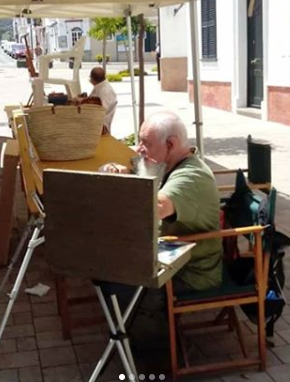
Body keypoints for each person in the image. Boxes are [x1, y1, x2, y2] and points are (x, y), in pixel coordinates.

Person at [99, 111, 222, 353]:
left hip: (192, 271)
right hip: (173, 258)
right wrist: (113, 170)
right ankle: (132, 338)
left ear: (171, 144)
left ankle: (153, 357)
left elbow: (155, 207)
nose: (138, 149)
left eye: (145, 143)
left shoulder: (192, 175)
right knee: (109, 275)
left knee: (119, 284)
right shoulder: (164, 164)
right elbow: (138, 175)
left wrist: (115, 190)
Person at [87, 67, 118, 134]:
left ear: (92, 78)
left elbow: (101, 110)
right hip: (97, 125)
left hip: (101, 127)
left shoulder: (105, 91)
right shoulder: (100, 86)